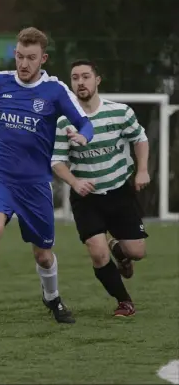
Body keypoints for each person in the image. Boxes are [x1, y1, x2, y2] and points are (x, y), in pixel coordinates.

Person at [0, 29, 94, 324]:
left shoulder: (55, 90)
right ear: (15, 54)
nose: (24, 64)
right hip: (1, 177)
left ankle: (52, 297)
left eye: (31, 58)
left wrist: (83, 135)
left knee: (43, 256)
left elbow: (85, 122)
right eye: (20, 56)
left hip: (36, 184)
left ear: (43, 59)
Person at [52, 59, 150, 317]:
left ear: (98, 80)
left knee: (137, 252)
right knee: (97, 253)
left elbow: (139, 139)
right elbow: (57, 161)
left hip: (119, 191)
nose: (80, 82)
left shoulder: (120, 112)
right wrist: (74, 182)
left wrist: (142, 170)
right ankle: (124, 301)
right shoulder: (64, 121)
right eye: (75, 78)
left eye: (86, 76)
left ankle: (121, 250)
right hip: (86, 198)